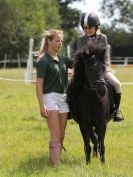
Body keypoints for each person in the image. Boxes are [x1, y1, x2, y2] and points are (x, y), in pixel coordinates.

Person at [75, 12, 124, 122]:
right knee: (70, 83)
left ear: (96, 27)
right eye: (85, 28)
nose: (87, 30)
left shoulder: (103, 38)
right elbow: (80, 56)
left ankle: (116, 110)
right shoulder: (80, 39)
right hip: (85, 70)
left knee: (117, 84)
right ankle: (70, 108)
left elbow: (104, 57)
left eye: (90, 28)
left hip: (101, 69)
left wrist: (99, 68)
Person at [35, 29, 73, 165]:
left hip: (63, 99)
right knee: (56, 134)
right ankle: (55, 165)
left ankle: (55, 160)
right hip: (50, 98)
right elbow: (39, 85)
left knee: (61, 135)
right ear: (49, 41)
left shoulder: (63, 59)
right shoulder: (43, 60)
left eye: (61, 41)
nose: (60, 43)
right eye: (57, 41)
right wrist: (41, 105)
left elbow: (78, 64)